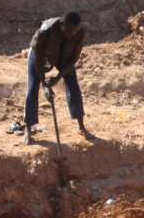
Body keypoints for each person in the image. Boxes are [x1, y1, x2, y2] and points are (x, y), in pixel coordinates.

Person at [22, 11, 94, 146]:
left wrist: (57, 78)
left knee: (73, 85)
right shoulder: (45, 31)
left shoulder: (79, 32)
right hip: (41, 55)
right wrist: (45, 85)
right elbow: (37, 59)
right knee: (33, 85)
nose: (72, 34)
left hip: (63, 56)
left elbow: (74, 58)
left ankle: (81, 127)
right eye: (68, 31)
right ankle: (28, 128)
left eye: (75, 31)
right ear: (61, 25)